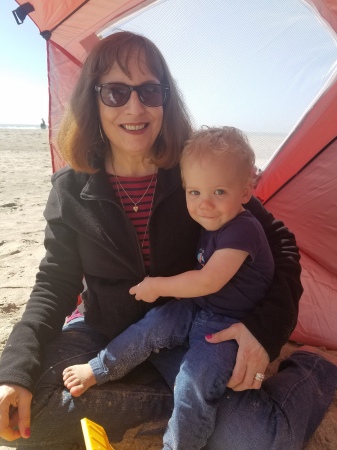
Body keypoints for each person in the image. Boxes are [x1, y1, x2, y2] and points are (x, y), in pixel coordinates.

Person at [0, 30, 336, 450]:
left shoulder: (196, 174)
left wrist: (264, 330)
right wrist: (12, 370)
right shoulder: (71, 189)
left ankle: (310, 371)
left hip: (188, 332)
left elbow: (280, 244)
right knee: (26, 418)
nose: (135, 107)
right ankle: (183, 405)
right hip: (105, 330)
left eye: (150, 91)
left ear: (165, 98)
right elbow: (53, 284)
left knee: (256, 440)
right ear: (93, 99)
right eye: (116, 92)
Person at [62, 126, 276, 449]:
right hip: (200, 307)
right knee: (149, 327)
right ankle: (99, 368)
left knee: (194, 382)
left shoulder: (243, 229)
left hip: (227, 327)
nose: (205, 204)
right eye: (195, 193)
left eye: (219, 192)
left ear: (246, 192)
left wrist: (157, 286)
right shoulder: (212, 217)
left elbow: (208, 279)